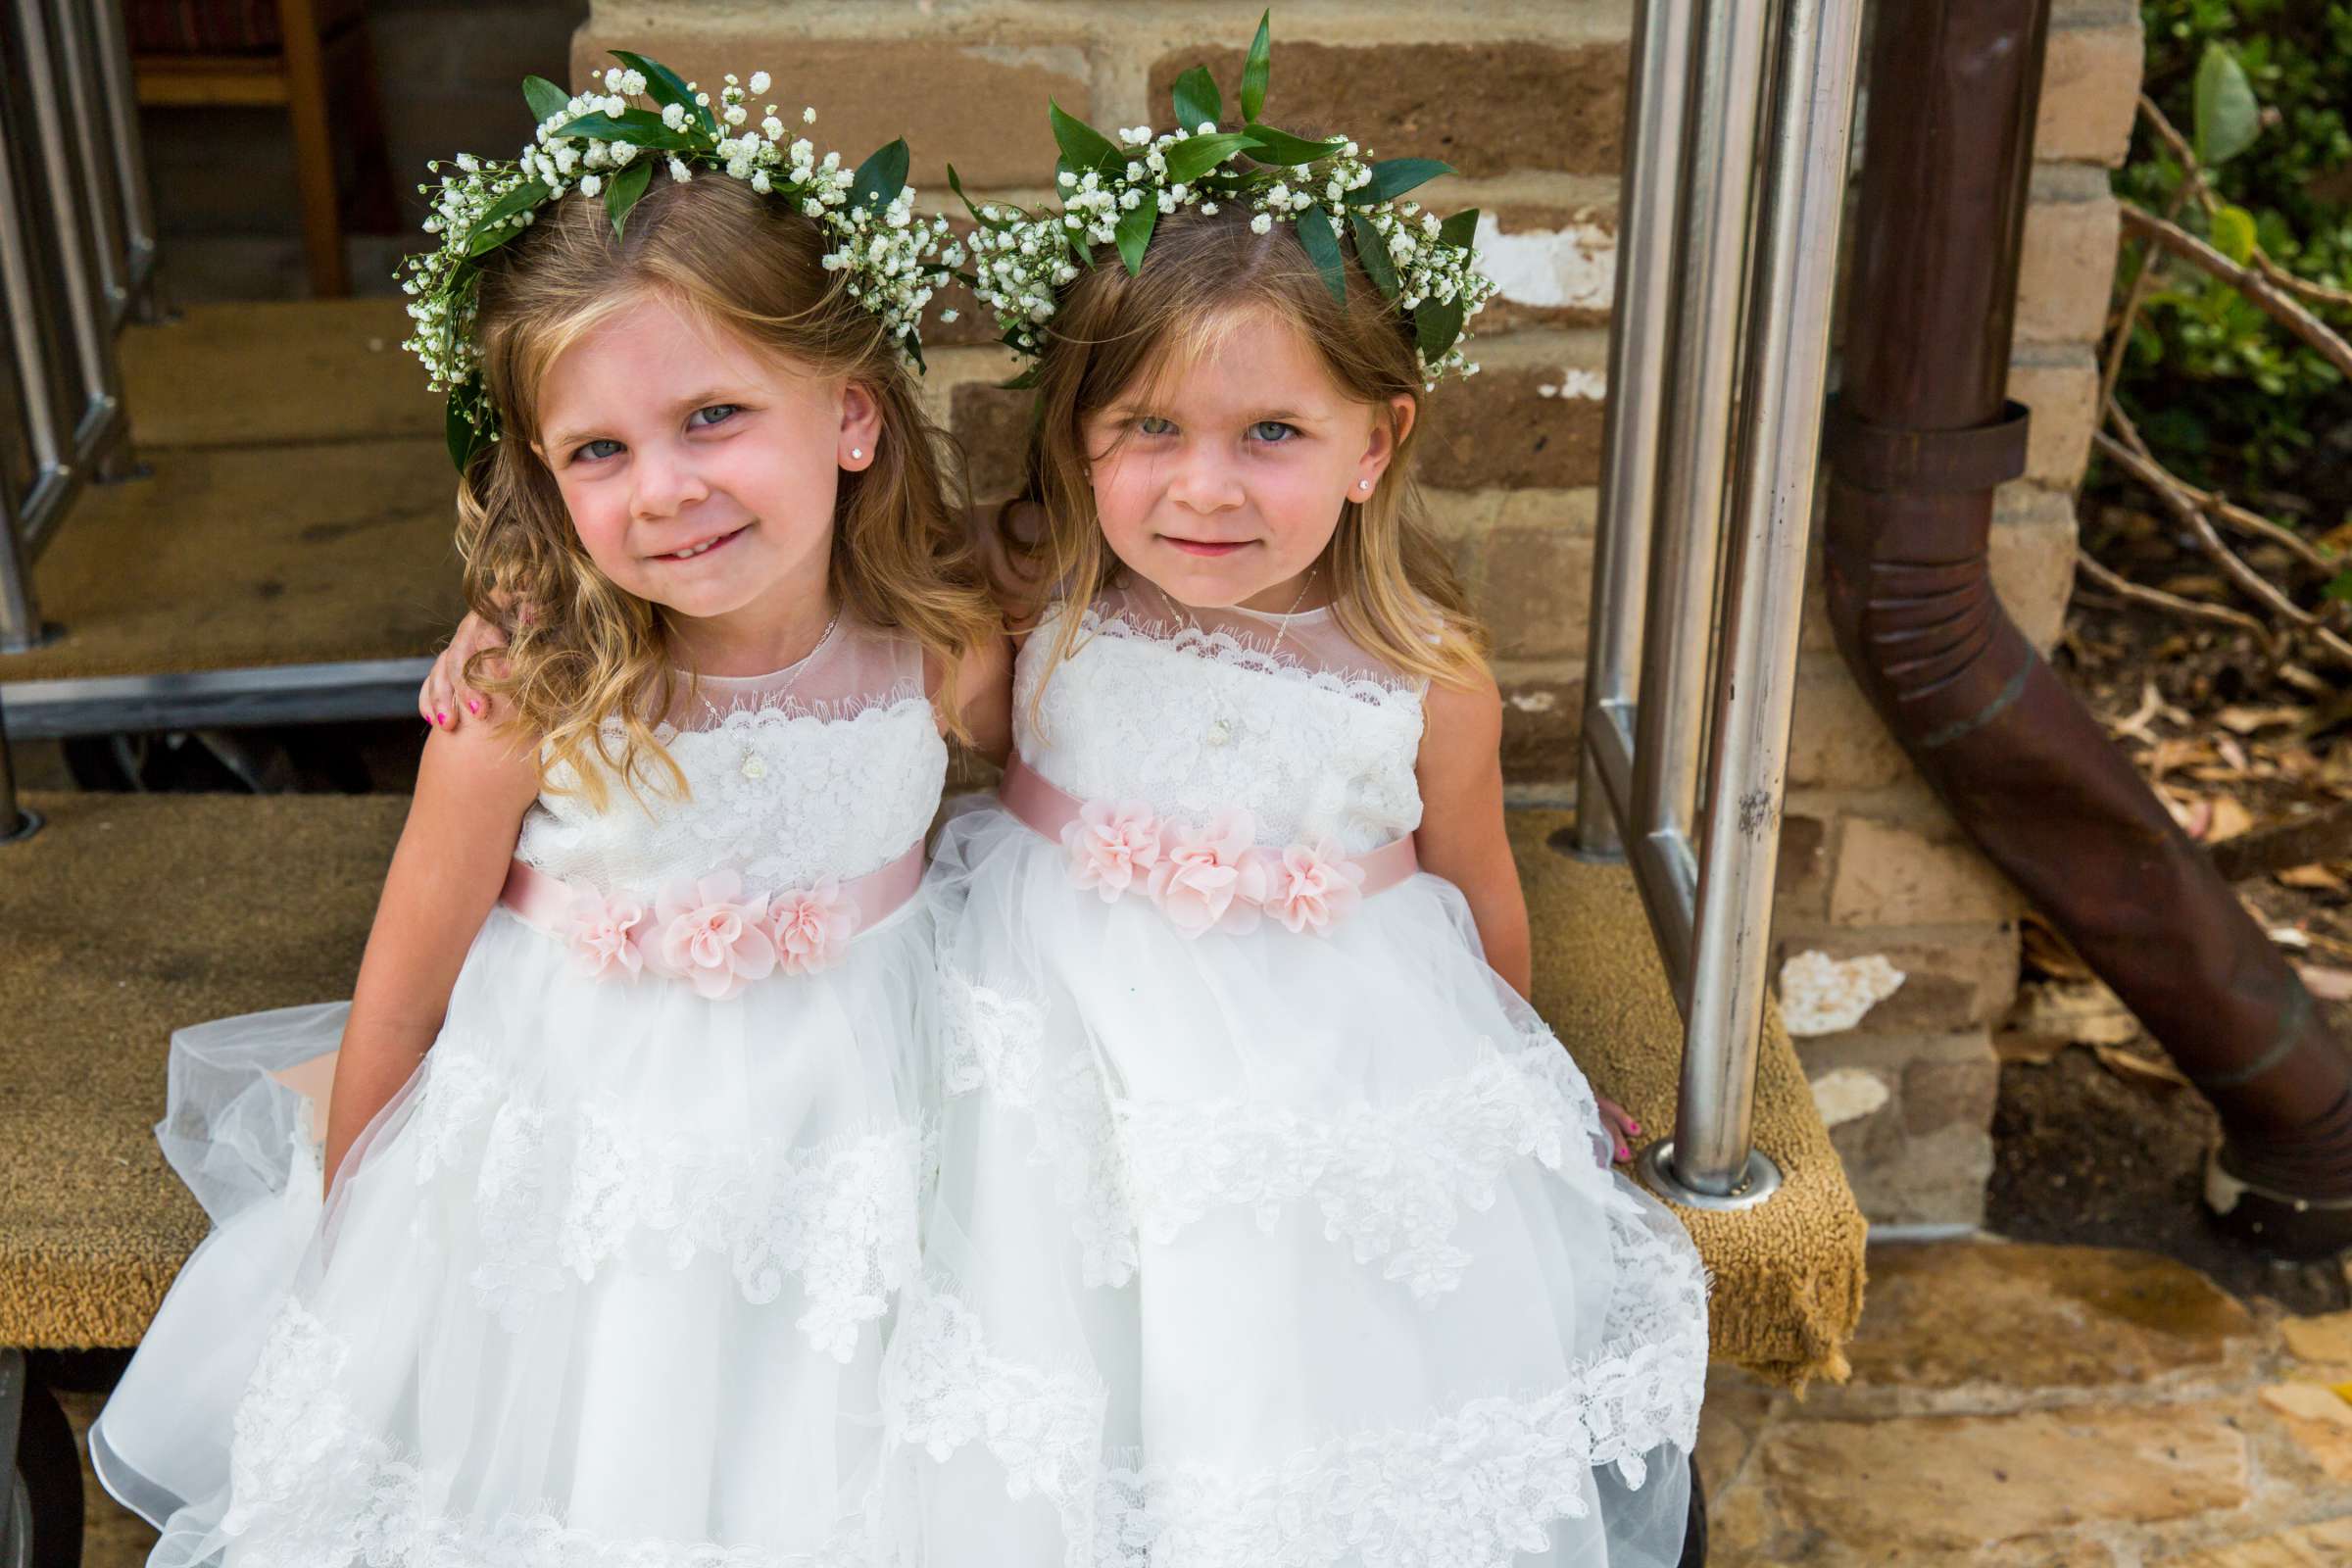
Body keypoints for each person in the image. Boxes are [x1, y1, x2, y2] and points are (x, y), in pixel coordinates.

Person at [91, 60, 1007, 1568]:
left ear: (850, 414)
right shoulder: (530, 697)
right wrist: (352, 1250)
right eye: (599, 451)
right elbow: (406, 984)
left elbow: (1082, 751)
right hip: (588, 1145)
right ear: (538, 474)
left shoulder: (939, 644)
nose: (666, 490)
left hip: (861, 1119)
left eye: (714, 414)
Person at [873, 24, 1710, 1566]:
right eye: (1149, 431)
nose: (1206, 489)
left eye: (1271, 433)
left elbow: (1475, 894)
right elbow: (832, 647)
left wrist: (1512, 1077)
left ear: (1376, 444)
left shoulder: (1423, 668)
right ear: (1077, 436)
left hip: (1333, 1051)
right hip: (1057, 1009)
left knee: (1286, 1360)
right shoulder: (1038, 593)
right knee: (1049, 1312)